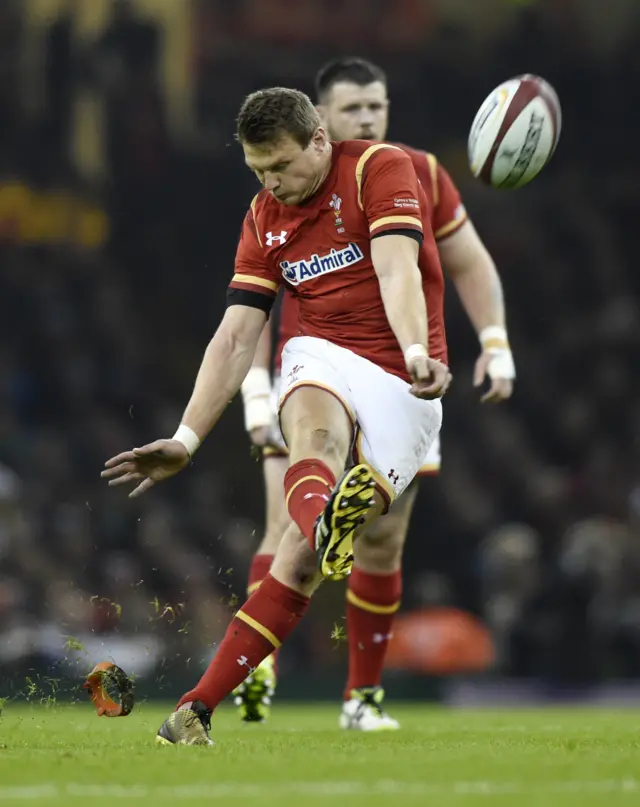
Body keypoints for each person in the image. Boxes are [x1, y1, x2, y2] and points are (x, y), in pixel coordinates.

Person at [102, 86, 451, 746]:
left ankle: (203, 696)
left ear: (320, 139)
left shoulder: (379, 168)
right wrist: (186, 436)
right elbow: (235, 336)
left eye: (282, 166)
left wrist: (413, 351)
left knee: (298, 563)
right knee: (314, 430)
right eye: (258, 170)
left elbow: (397, 267)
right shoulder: (264, 218)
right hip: (322, 351)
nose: (271, 183)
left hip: (407, 379)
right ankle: (192, 712)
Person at [236, 58, 515, 730]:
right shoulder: (285, 184)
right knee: (287, 520)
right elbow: (251, 304)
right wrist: (254, 391)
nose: (367, 118)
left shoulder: (412, 172)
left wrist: (496, 341)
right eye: (352, 108)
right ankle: (255, 670)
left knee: (383, 540)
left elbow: (468, 259)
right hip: (313, 376)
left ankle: (362, 698)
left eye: (376, 106)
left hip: (396, 374)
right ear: (320, 122)